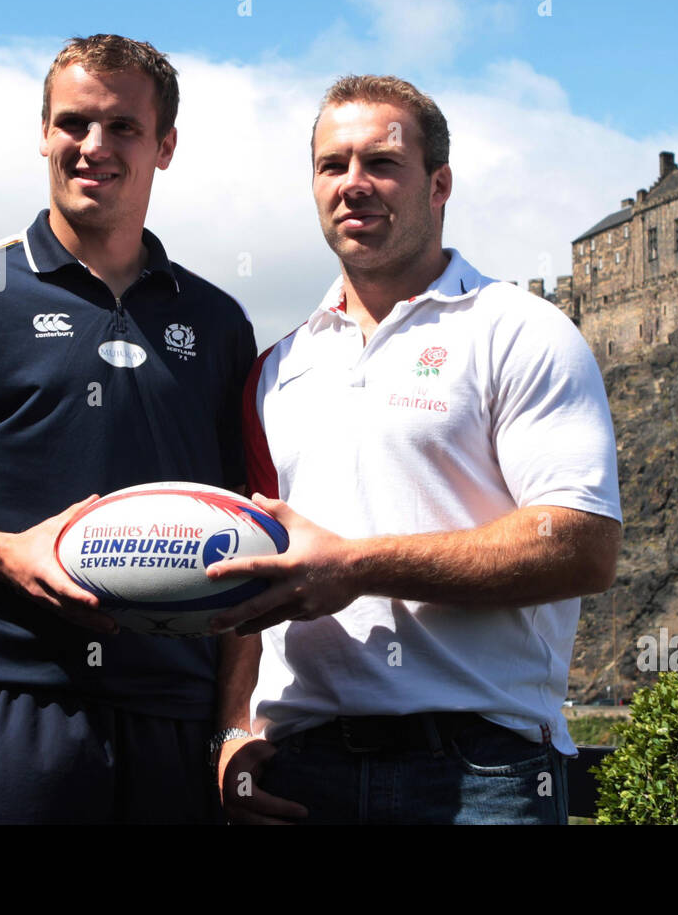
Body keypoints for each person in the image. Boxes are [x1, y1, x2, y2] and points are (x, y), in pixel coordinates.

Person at [0, 34, 257, 824]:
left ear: (165, 146)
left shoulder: (219, 321)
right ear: (43, 134)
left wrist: (233, 724)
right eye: (73, 123)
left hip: (173, 716)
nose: (94, 146)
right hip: (4, 707)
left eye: (124, 127)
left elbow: (246, 533)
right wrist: (3, 552)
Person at [209, 75, 622, 825]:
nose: (353, 185)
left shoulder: (520, 331)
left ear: (439, 185)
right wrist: (236, 732)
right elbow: (255, 581)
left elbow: (583, 546)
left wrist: (357, 564)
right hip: (301, 769)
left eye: (381, 164)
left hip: (483, 771)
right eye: (333, 165)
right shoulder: (276, 368)